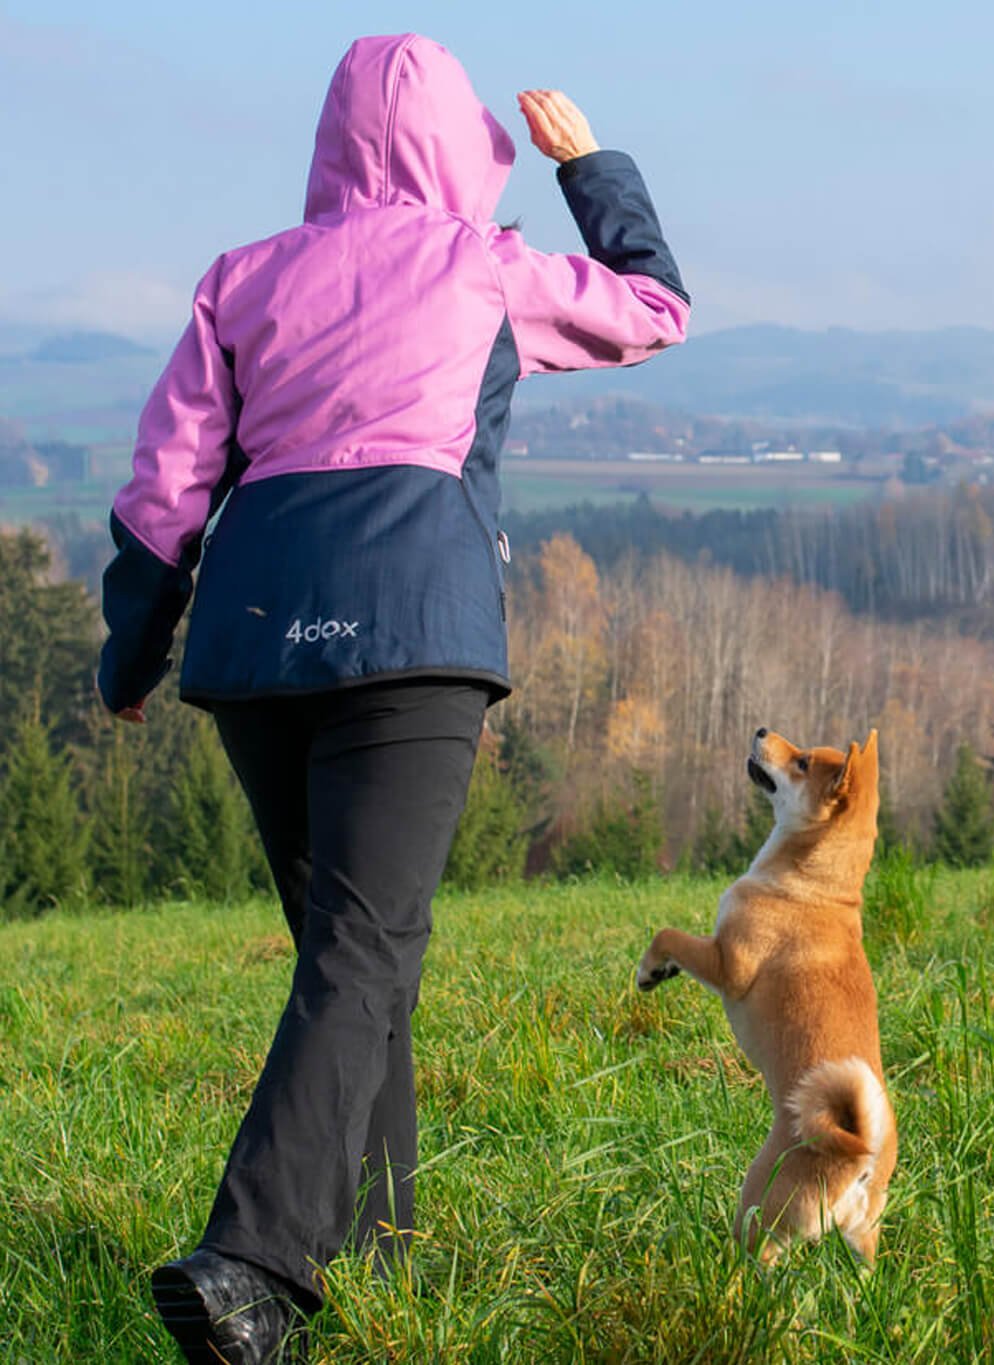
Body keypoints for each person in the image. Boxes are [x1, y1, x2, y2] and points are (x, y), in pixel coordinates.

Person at [97, 32, 690, 1365]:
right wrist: (593, 169)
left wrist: (129, 658)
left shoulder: (238, 280)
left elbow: (163, 491)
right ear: (457, 144)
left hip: (256, 647)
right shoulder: (480, 266)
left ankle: (377, 1261)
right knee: (364, 959)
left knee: (352, 961)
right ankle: (250, 1262)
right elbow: (652, 307)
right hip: (412, 630)